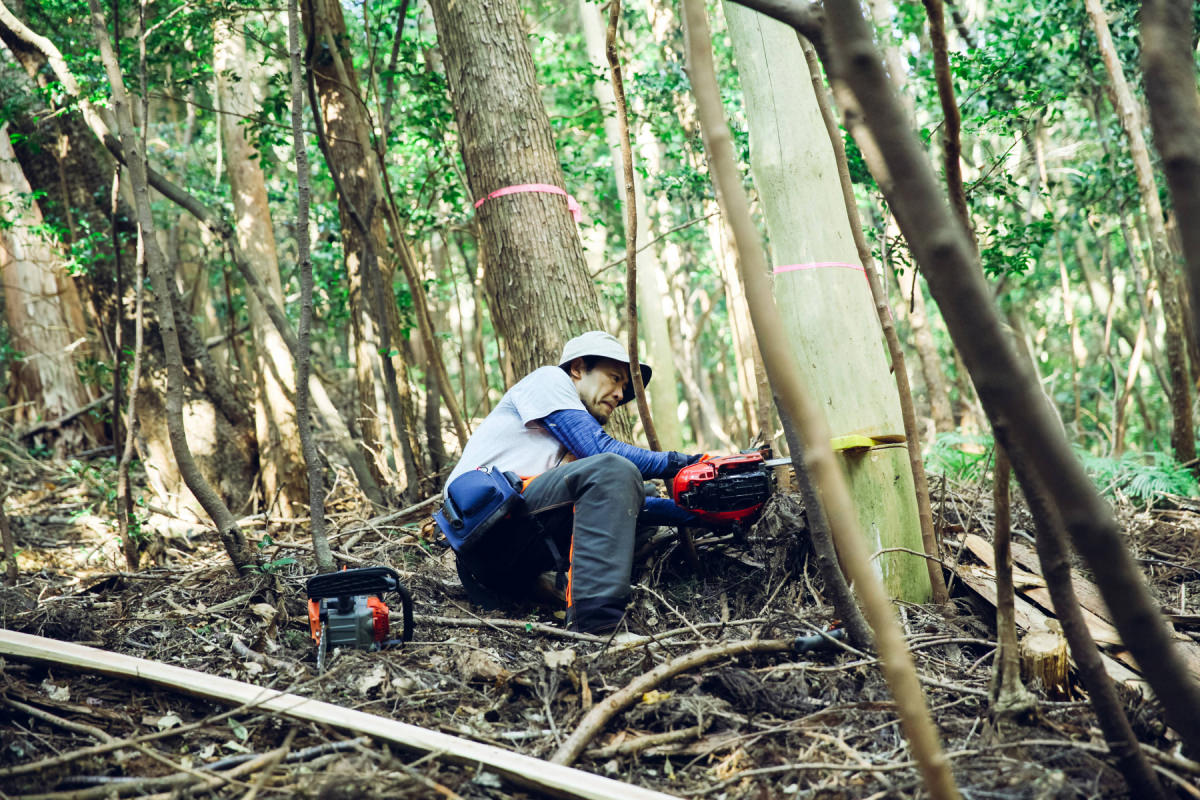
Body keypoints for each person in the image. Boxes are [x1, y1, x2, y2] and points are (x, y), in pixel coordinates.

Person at [443, 331, 704, 634]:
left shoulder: (563, 440)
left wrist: (697, 511)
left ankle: (547, 587)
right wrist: (685, 463)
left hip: (513, 541)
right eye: (614, 378)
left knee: (634, 492)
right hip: (483, 532)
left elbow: (624, 503)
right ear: (578, 369)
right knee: (614, 471)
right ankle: (597, 624)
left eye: (623, 386)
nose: (620, 394)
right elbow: (602, 452)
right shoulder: (550, 380)